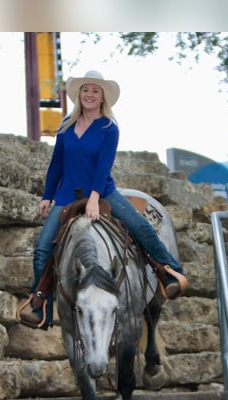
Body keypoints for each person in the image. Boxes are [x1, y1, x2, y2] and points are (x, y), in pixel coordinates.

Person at [18, 70, 188, 329]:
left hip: (102, 191)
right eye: (85, 90)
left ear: (102, 97)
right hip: (66, 196)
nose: (89, 94)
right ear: (79, 94)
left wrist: (94, 199)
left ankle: (169, 273)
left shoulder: (109, 128)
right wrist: (47, 196)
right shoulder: (65, 126)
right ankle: (40, 306)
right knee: (42, 249)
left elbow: (103, 166)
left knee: (139, 226)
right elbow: (56, 165)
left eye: (95, 91)